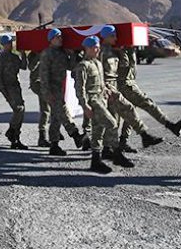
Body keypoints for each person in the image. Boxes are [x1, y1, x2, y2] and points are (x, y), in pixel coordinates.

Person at [97, 26, 181, 154]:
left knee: (127, 114)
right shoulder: (111, 51)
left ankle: (120, 143)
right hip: (122, 85)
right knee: (143, 104)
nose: (115, 38)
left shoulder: (126, 49)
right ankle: (168, 126)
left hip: (125, 84)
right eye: (113, 36)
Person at [38, 28, 87, 156]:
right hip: (51, 89)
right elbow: (43, 75)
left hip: (59, 88)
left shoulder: (62, 53)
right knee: (63, 112)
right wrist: (47, 92)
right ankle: (75, 135)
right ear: (51, 39)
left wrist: (73, 55)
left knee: (56, 117)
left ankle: (54, 145)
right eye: (57, 37)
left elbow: (71, 67)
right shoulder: (47, 54)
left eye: (61, 37)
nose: (60, 39)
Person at [73, 36, 117, 173]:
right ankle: (111, 150)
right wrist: (85, 106)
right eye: (93, 47)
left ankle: (95, 161)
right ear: (86, 49)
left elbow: (101, 83)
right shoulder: (82, 66)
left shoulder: (98, 63)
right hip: (93, 101)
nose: (96, 49)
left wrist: (107, 92)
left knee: (98, 130)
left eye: (97, 47)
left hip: (101, 99)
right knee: (112, 123)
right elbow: (79, 88)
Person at [0, 35, 28, 149]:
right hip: (8, 88)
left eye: (11, 43)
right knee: (19, 109)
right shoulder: (1, 58)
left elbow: (24, 66)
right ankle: (11, 131)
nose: (11, 45)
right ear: (4, 45)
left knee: (21, 111)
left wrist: (23, 54)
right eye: (8, 43)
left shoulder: (14, 57)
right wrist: (3, 91)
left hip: (16, 87)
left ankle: (15, 137)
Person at [26, 51, 51, 147]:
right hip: (38, 83)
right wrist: (39, 55)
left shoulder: (51, 52)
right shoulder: (33, 54)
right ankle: (42, 136)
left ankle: (53, 132)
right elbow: (31, 67)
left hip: (48, 83)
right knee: (45, 109)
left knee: (53, 108)